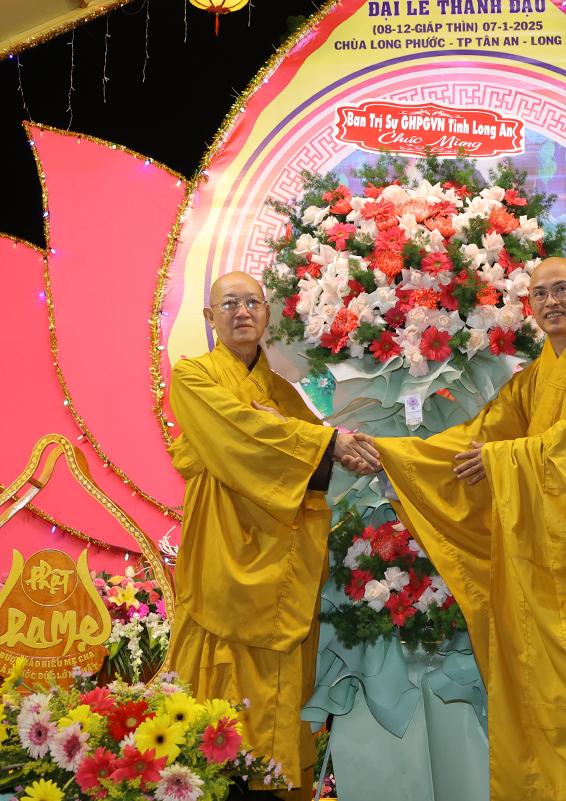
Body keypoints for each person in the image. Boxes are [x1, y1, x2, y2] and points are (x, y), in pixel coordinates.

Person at [345, 258, 566, 799]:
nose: (551, 301)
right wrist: (391, 454)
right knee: (547, 692)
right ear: (529, 306)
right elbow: (477, 439)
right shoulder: (532, 382)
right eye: (539, 293)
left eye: (562, 289)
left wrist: (503, 459)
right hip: (547, 566)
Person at [167, 271, 379, 799]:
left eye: (252, 302)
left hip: (283, 559)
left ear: (266, 313)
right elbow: (246, 435)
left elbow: (314, 449)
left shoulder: (282, 392)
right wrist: (320, 442)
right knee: (220, 680)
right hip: (224, 548)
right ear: (209, 316)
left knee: (283, 681)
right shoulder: (194, 377)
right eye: (229, 303)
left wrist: (342, 448)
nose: (242, 312)